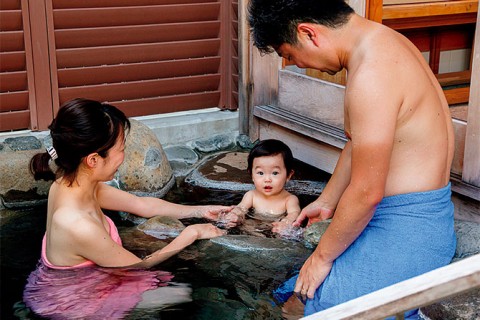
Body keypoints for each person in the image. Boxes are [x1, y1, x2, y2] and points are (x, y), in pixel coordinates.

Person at [248, 0, 456, 318]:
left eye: (288, 54)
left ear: (308, 33)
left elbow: (367, 193)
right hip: (407, 219)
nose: (296, 64)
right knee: (286, 295)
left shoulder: (373, 74)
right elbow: (357, 144)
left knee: (313, 307)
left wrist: (321, 257)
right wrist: (328, 200)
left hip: (410, 232)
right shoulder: (381, 42)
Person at [24, 98, 234, 318]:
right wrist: (191, 233)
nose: (123, 157)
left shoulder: (70, 184)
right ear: (93, 160)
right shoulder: (77, 224)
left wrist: (201, 210)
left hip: (83, 282)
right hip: (76, 304)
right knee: (186, 295)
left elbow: (141, 205)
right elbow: (140, 267)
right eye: (121, 149)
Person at [224, 139, 301, 235]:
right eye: (260, 173)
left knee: (284, 233)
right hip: (254, 227)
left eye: (275, 173)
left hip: (276, 228)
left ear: (288, 175)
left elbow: (294, 214)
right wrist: (235, 215)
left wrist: (285, 223)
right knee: (244, 225)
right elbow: (241, 208)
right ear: (252, 174)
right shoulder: (251, 195)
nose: (267, 179)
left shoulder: (289, 199)